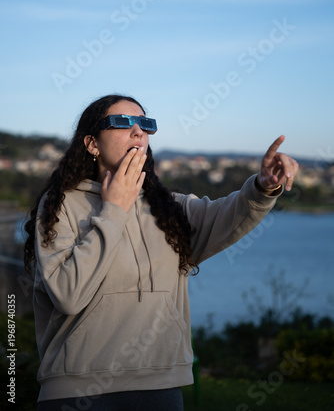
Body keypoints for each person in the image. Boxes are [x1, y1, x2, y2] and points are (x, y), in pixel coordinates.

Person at [24, 94, 298, 411]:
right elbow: (68, 295)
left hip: (161, 388)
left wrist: (262, 187)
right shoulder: (60, 205)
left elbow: (228, 214)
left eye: (146, 124)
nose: (138, 131)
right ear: (92, 143)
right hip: (76, 391)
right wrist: (114, 209)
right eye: (123, 122)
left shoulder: (168, 208)